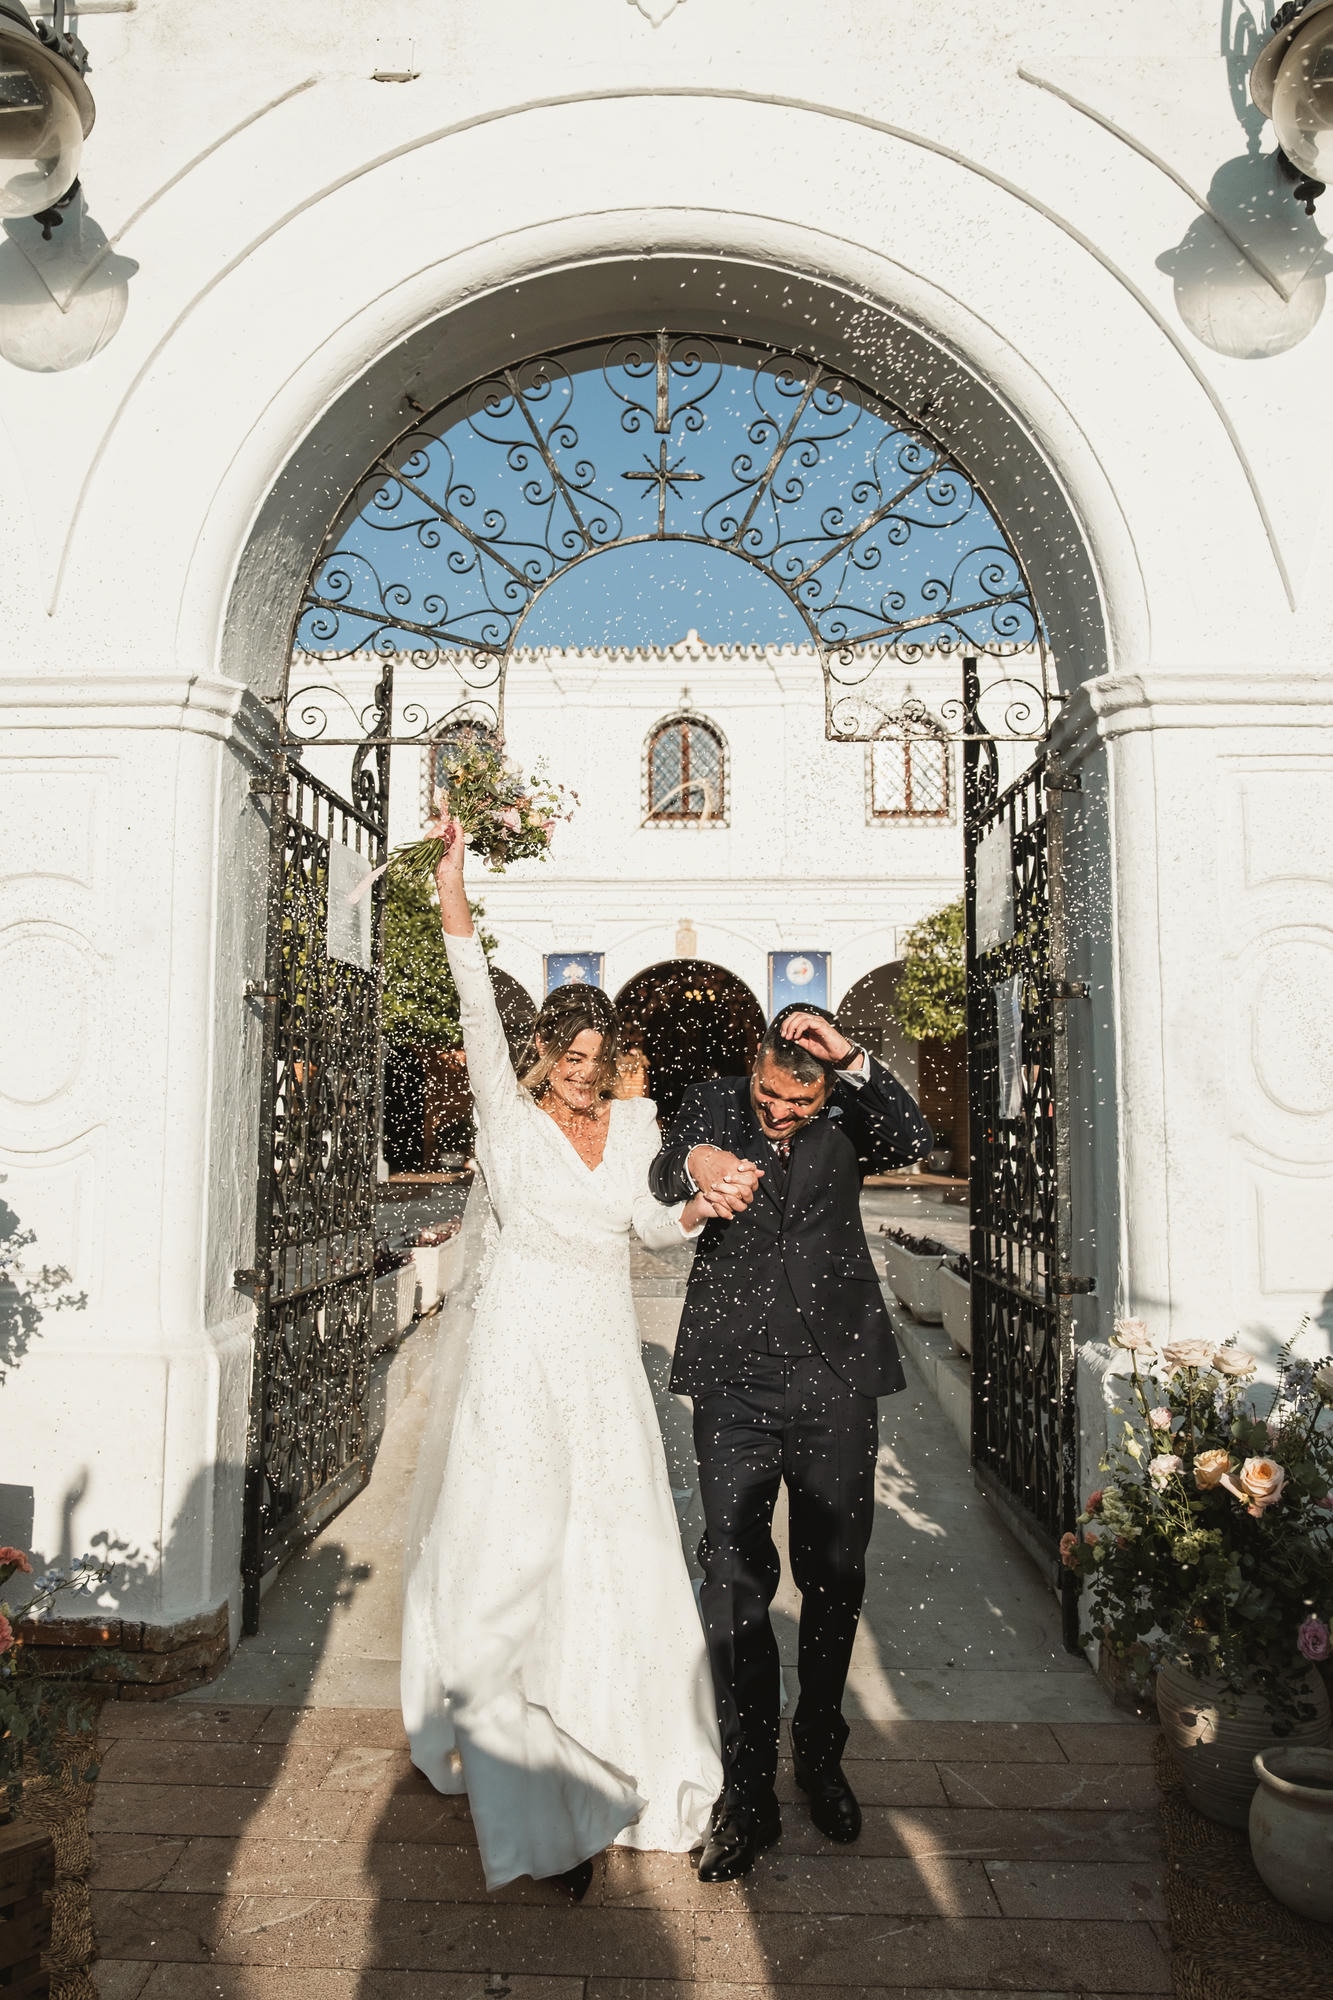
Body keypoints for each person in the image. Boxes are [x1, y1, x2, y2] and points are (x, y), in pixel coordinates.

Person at [400, 816, 723, 1897]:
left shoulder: (633, 1123)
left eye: (598, 1058)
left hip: (598, 1359)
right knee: (515, 1549)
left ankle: (617, 1744)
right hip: (515, 1358)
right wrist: (455, 882)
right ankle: (533, 1785)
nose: (584, 1075)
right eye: (569, 1057)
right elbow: (463, 986)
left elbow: (645, 1223)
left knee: (615, 1542)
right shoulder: (505, 1104)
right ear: (541, 1052)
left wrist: (700, 1208)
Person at [648, 1005, 931, 1881]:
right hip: (734, 1377)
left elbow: (909, 1133)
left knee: (833, 1572)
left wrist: (846, 1055)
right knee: (733, 1575)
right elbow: (663, 1169)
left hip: (836, 1376)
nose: (778, 1114)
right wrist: (695, 1162)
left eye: (796, 1105)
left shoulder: (847, 1105)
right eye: (769, 1097)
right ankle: (748, 1787)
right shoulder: (713, 1101)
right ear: (753, 1071)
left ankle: (818, 1752)